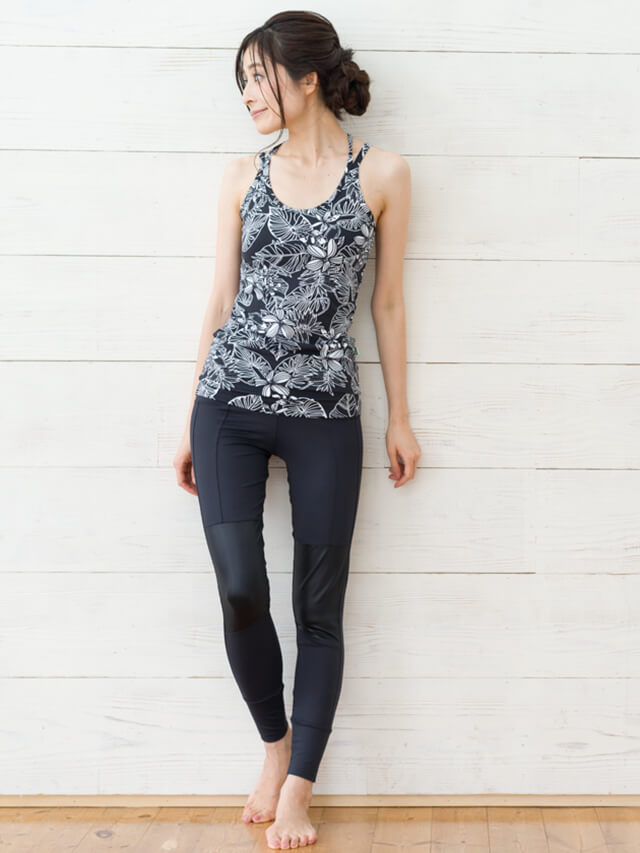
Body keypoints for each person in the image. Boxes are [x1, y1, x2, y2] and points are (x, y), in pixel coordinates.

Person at [173, 10, 420, 849]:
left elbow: (388, 303)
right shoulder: (241, 175)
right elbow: (220, 300)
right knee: (241, 588)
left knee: (318, 606)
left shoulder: (383, 173)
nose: (247, 94)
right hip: (229, 405)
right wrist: (190, 416)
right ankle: (274, 746)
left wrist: (401, 418)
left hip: (327, 413)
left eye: (259, 76)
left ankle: (299, 790)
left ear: (308, 78)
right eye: (241, 80)